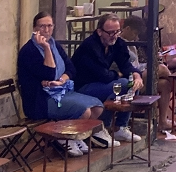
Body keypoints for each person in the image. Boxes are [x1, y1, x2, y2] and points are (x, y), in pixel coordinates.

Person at [17, 12, 105, 156]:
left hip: (62, 91)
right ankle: (65, 138)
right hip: (40, 100)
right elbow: (49, 73)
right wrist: (45, 48)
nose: (46, 30)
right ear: (34, 28)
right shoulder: (29, 51)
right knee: (84, 110)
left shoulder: (55, 44)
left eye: (49, 26)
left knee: (97, 107)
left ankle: (76, 136)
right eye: (42, 26)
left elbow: (71, 68)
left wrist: (61, 80)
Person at [71, 13, 143, 145]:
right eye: (110, 33)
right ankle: (102, 127)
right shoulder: (90, 46)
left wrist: (137, 75)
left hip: (101, 83)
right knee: (123, 84)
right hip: (83, 87)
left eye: (117, 31)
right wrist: (120, 74)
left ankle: (120, 127)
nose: (114, 36)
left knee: (132, 84)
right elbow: (103, 75)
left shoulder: (117, 43)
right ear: (99, 31)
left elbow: (125, 65)